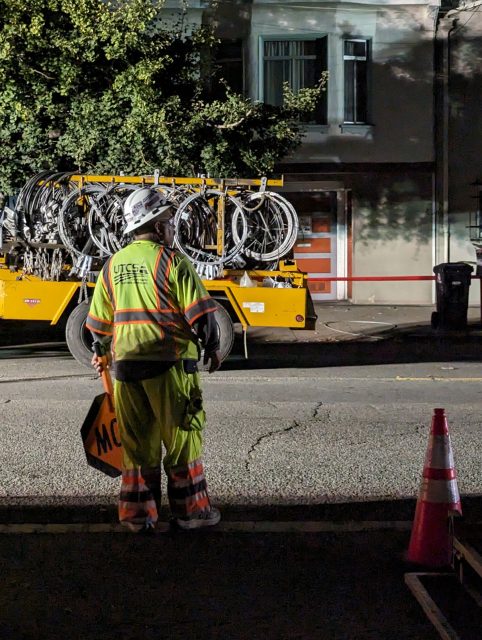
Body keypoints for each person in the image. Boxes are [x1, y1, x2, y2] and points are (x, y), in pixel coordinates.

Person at [86, 187, 222, 532]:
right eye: (169, 221)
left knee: (137, 447)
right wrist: (214, 348)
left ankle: (138, 517)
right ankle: (191, 513)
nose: (172, 228)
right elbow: (203, 318)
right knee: (182, 441)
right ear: (158, 227)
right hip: (170, 365)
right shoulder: (172, 261)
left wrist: (102, 353)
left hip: (127, 370)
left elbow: (97, 327)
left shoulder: (112, 265)